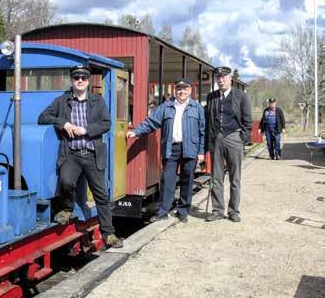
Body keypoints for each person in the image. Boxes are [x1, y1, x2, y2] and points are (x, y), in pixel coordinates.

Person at [38, 65, 123, 248]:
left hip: (92, 154)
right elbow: (43, 117)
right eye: (76, 78)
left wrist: (86, 130)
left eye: (83, 78)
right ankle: (67, 209)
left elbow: (106, 124)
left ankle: (109, 234)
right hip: (72, 154)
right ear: (71, 80)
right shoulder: (62, 100)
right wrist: (63, 123)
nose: (80, 81)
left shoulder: (97, 101)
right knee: (66, 182)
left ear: (88, 81)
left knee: (101, 195)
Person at [127, 78, 205, 223]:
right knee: (167, 180)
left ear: (190, 90)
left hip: (191, 148)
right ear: (175, 91)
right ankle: (162, 211)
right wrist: (136, 132)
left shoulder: (197, 108)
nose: (181, 91)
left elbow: (202, 132)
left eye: (184, 89)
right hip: (171, 148)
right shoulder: (166, 107)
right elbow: (152, 122)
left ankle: (183, 212)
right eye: (179, 89)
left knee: (187, 180)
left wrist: (201, 152)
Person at [205, 66, 253, 223]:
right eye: (218, 78)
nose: (221, 80)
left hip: (234, 137)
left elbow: (248, 121)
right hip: (216, 138)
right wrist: (209, 142)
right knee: (216, 177)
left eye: (224, 77)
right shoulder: (211, 97)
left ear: (230, 78)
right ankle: (217, 210)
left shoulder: (241, 96)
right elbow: (208, 120)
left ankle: (233, 210)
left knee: (235, 177)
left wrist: (241, 139)